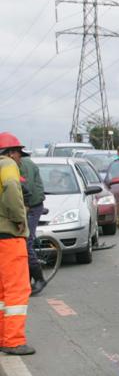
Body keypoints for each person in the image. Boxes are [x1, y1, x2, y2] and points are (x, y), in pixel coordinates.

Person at [0, 133, 34, 355]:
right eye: (19, 154)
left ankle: (4, 336)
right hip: (9, 237)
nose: (20, 159)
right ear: (11, 153)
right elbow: (12, 188)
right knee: (16, 290)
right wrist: (20, 219)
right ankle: (12, 340)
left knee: (3, 292)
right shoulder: (8, 165)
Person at [3, 140, 45, 295]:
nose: (19, 157)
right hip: (20, 207)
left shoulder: (20, 165)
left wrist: (21, 216)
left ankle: (39, 278)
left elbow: (26, 191)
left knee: (25, 242)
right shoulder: (8, 165)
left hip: (32, 205)